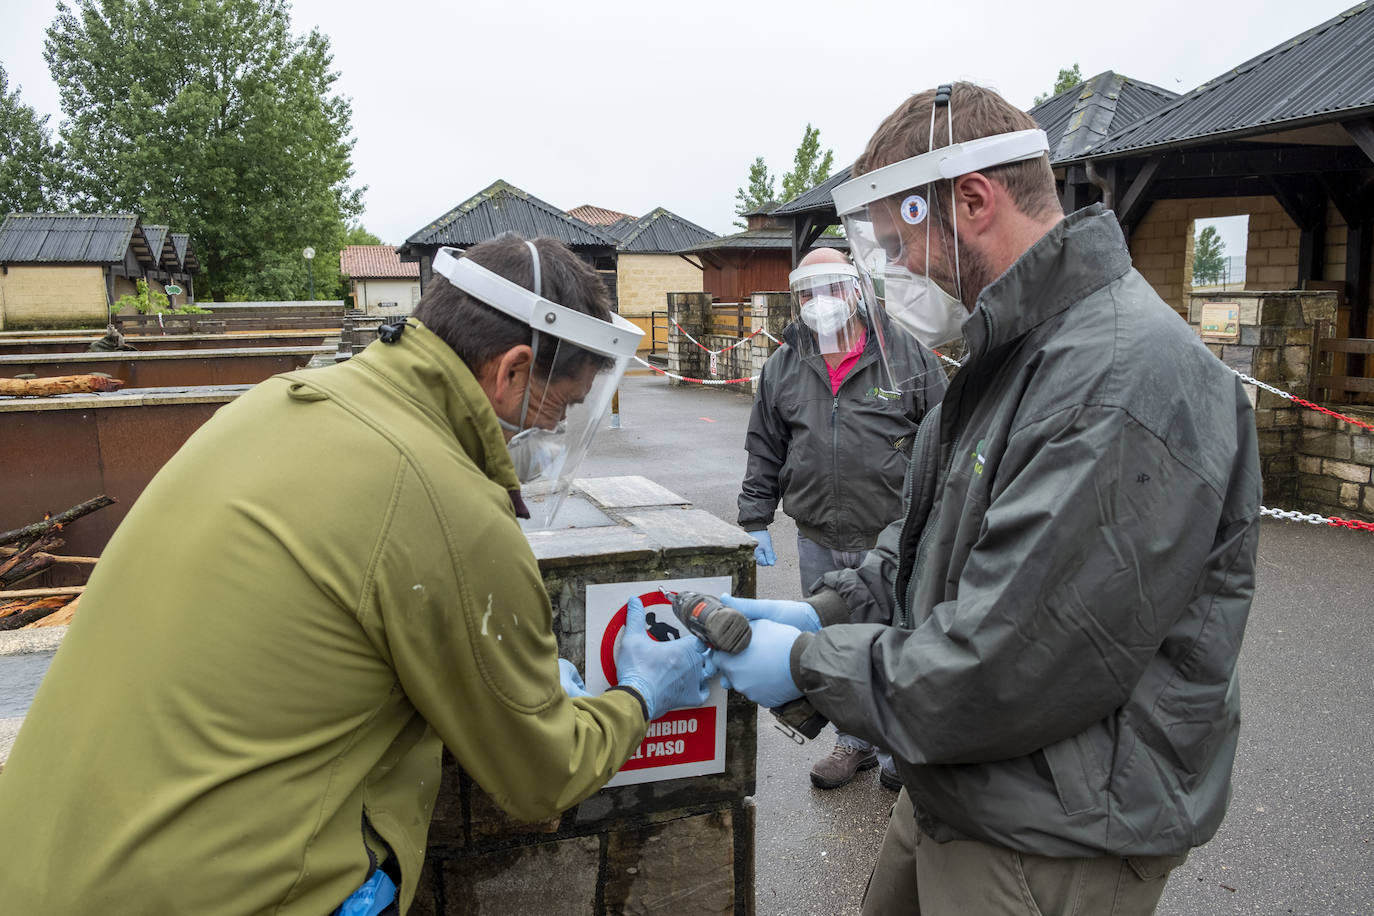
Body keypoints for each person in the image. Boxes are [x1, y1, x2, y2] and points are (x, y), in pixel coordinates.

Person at [0, 233, 712, 916]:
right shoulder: (445, 501)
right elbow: (542, 774)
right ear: (514, 371)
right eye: (561, 406)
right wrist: (644, 692)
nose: (554, 435)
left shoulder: (282, 402)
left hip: (43, 868)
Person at [713, 82, 1260, 915]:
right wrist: (829, 610)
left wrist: (801, 666)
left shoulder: (1117, 379)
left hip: (1055, 827)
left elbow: (1006, 663)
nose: (889, 272)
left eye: (898, 243)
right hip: (969, 782)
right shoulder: (1015, 352)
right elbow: (931, 539)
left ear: (971, 201)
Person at [737, 246, 944, 790]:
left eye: (829, 288)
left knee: (898, 639)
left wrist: (938, 515)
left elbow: (947, 437)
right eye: (806, 292)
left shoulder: (906, 357)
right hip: (818, 536)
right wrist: (755, 516)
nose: (818, 302)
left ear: (855, 290)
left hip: (892, 538)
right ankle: (853, 745)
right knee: (835, 637)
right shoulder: (785, 364)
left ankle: (900, 752)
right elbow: (765, 445)